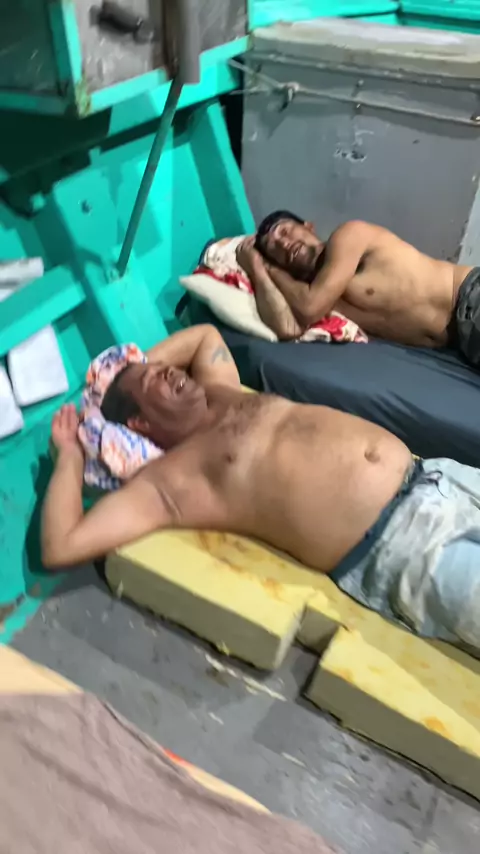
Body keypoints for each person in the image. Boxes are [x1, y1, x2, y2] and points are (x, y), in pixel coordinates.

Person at [42, 324, 480, 652]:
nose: (170, 371)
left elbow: (204, 337)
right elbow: (62, 545)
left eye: (164, 368)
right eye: (154, 380)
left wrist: (137, 371)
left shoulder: (223, 391)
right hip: (400, 549)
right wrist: (71, 456)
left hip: (440, 477)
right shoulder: (172, 481)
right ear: (139, 423)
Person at [236, 211, 480, 366]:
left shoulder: (349, 236)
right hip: (462, 343)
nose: (284, 244)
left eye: (285, 231)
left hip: (470, 298)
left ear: (309, 226)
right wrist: (257, 269)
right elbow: (287, 328)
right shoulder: (311, 293)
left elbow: (310, 308)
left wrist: (270, 267)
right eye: (273, 248)